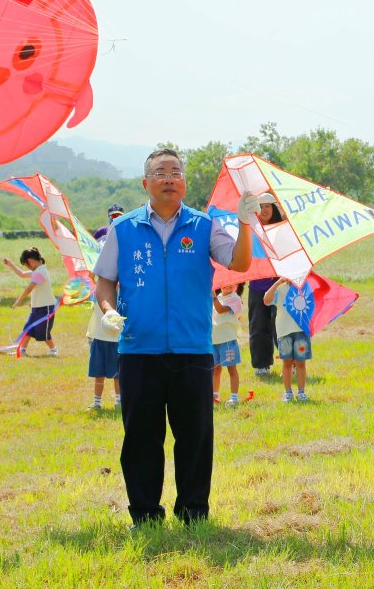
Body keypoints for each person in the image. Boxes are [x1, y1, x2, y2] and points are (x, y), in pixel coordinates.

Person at [93, 148, 256, 527]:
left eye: (176, 172)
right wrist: (109, 311)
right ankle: (146, 515)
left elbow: (240, 263)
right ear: (145, 182)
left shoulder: (203, 226)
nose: (169, 178)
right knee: (141, 438)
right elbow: (104, 282)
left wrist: (246, 224)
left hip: (192, 349)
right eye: (161, 172)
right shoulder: (125, 228)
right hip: (138, 348)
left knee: (196, 437)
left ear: (184, 182)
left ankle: (194, 513)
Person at [247, 193, 283, 376]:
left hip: (279, 285)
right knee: (258, 326)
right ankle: (262, 365)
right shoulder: (249, 229)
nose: (265, 210)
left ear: (274, 208)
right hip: (256, 286)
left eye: (268, 206)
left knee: (282, 325)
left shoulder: (283, 230)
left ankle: (290, 361)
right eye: (261, 206)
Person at [3, 247, 58, 356]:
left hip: (46, 307)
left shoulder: (41, 272)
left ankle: (53, 350)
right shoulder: (36, 271)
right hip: (36, 307)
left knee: (43, 332)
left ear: (31, 261)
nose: (27, 267)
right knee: (28, 328)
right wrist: (10, 264)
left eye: (26, 264)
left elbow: (29, 288)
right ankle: (22, 350)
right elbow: (22, 274)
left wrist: (19, 301)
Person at [264, 277, 311, 402]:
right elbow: (266, 299)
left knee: (301, 363)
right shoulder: (280, 289)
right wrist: (278, 282)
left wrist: (311, 277)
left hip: (301, 331)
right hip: (284, 332)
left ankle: (301, 392)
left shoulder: (305, 287)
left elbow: (321, 293)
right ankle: (288, 392)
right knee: (287, 363)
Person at [212, 284, 245, 406]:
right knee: (216, 369)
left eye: (230, 283)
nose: (227, 285)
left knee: (231, 368)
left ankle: (234, 397)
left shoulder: (235, 298)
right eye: (224, 283)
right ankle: (215, 395)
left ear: (235, 285)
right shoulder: (219, 296)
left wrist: (213, 297)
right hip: (215, 340)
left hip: (228, 340)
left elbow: (221, 310)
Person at [86, 302, 120, 409]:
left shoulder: (121, 295)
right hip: (99, 339)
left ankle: (119, 401)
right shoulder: (98, 294)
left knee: (118, 375)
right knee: (98, 373)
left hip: (116, 340)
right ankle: (97, 402)